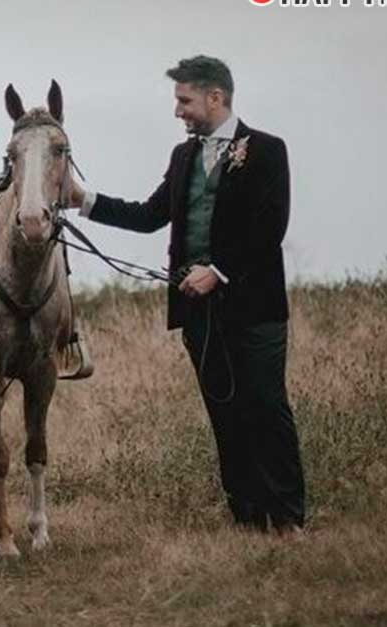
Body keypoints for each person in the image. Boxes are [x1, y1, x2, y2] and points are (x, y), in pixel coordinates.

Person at [67, 56, 305, 534]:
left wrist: (217, 271)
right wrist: (82, 199)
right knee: (224, 411)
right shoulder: (184, 158)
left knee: (265, 405)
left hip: (255, 309)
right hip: (198, 313)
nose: (178, 111)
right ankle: (246, 516)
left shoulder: (267, 150)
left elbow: (269, 228)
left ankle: (287, 518)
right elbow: (149, 214)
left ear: (215, 97)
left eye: (184, 100)